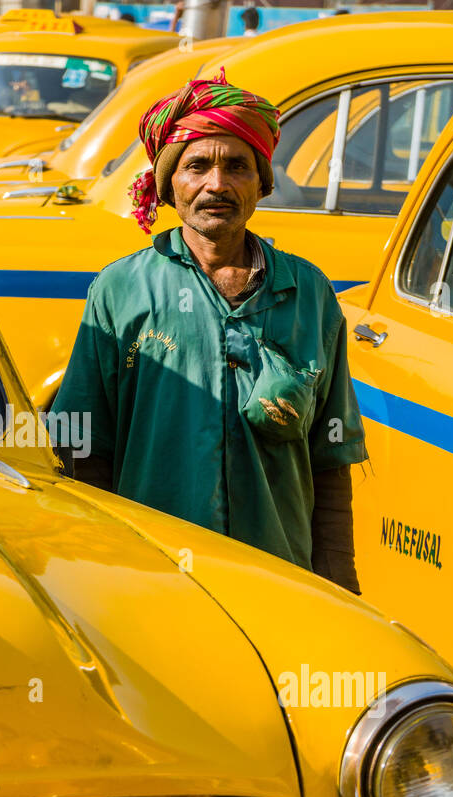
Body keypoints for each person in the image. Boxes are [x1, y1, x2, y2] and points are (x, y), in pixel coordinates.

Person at [51, 69, 368, 592]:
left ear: (261, 183)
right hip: (152, 583)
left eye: (237, 167)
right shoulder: (121, 290)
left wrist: (341, 591)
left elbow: (330, 465)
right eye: (197, 166)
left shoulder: (309, 293)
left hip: (279, 585)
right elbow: (82, 451)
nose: (216, 184)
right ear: (169, 185)